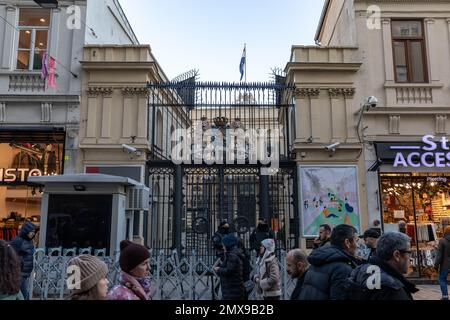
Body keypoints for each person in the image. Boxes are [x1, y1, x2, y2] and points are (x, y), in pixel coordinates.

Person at [347, 232, 419, 300]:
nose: (411, 258)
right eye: (409, 253)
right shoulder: (392, 289)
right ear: (397, 255)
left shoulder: (361, 270)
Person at [299, 224, 360, 300]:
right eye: (356, 241)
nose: (358, 246)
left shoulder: (317, 261)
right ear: (347, 242)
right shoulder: (343, 269)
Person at [10, 222, 37, 299]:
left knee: (22, 294)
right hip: (18, 273)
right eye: (31, 231)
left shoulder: (29, 241)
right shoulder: (17, 241)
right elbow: (10, 255)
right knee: (24, 295)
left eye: (34, 232)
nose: (33, 233)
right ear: (26, 230)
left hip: (25, 274)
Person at [213, 234, 245, 300]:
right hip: (232, 290)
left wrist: (219, 270)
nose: (223, 247)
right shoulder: (232, 254)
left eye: (224, 245)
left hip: (232, 290)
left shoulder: (232, 256)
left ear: (228, 245)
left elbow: (229, 270)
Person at [435, 226, 450, 300]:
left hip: (445, 265)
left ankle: (445, 297)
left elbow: (439, 255)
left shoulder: (442, 241)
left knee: (442, 279)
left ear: (445, 231)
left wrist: (436, 265)